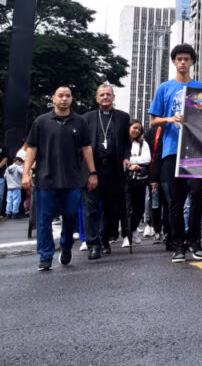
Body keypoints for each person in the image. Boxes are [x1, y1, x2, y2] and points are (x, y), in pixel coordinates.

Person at [23, 86, 99, 271]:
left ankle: (66, 247)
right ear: (53, 98)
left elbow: (87, 149)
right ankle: (45, 256)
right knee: (44, 220)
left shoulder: (80, 122)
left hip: (72, 179)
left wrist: (92, 173)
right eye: (60, 96)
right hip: (45, 178)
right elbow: (31, 148)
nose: (64, 99)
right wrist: (25, 173)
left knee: (71, 217)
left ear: (71, 99)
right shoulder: (41, 121)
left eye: (68, 96)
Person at [149, 43, 202, 263]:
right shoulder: (164, 88)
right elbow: (154, 120)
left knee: (197, 195)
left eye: (187, 59)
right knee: (175, 199)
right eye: (179, 59)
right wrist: (169, 119)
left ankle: (195, 240)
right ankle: (178, 244)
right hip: (172, 150)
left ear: (192, 61)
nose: (183, 62)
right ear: (174, 62)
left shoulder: (200, 87)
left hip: (195, 151)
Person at [82, 83, 132, 259]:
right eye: (102, 95)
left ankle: (104, 239)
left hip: (114, 170)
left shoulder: (123, 117)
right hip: (92, 168)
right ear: (97, 98)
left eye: (108, 94)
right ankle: (93, 245)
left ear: (113, 97)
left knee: (110, 210)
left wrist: (127, 157)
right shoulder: (86, 118)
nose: (105, 97)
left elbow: (127, 143)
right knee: (90, 209)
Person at [124, 121, 151, 246]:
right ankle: (126, 234)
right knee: (126, 207)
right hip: (124, 178)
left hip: (139, 179)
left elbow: (147, 159)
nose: (137, 131)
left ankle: (133, 228)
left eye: (139, 129)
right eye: (134, 128)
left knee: (139, 207)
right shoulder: (123, 142)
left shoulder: (143, 143)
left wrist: (131, 160)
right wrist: (130, 165)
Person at [5, 152, 24, 219]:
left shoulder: (8, 168)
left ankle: (8, 213)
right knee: (16, 201)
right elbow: (23, 173)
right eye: (21, 163)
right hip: (16, 187)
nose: (21, 164)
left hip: (9, 187)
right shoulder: (18, 167)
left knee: (9, 201)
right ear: (17, 161)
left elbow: (5, 176)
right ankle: (15, 213)